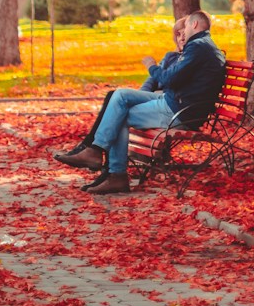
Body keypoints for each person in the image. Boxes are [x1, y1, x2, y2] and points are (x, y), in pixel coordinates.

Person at [54, 10, 227, 195]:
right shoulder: (202, 46)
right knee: (119, 95)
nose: (182, 32)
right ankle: (96, 151)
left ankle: (114, 173)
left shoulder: (199, 46)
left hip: (179, 110)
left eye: (185, 27)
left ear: (194, 24)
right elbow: (173, 80)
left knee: (120, 115)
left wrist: (152, 67)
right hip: (174, 101)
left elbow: (169, 80)